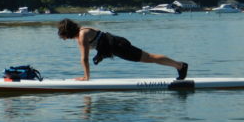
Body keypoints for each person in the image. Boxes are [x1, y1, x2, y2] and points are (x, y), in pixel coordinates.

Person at [57, 18, 188, 81]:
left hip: (119, 46)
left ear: (67, 32)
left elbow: (84, 58)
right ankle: (179, 66)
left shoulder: (82, 35)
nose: (62, 38)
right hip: (118, 45)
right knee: (149, 58)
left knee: (149, 58)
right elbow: (101, 43)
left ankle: (180, 66)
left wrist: (86, 77)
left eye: (62, 34)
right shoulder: (81, 33)